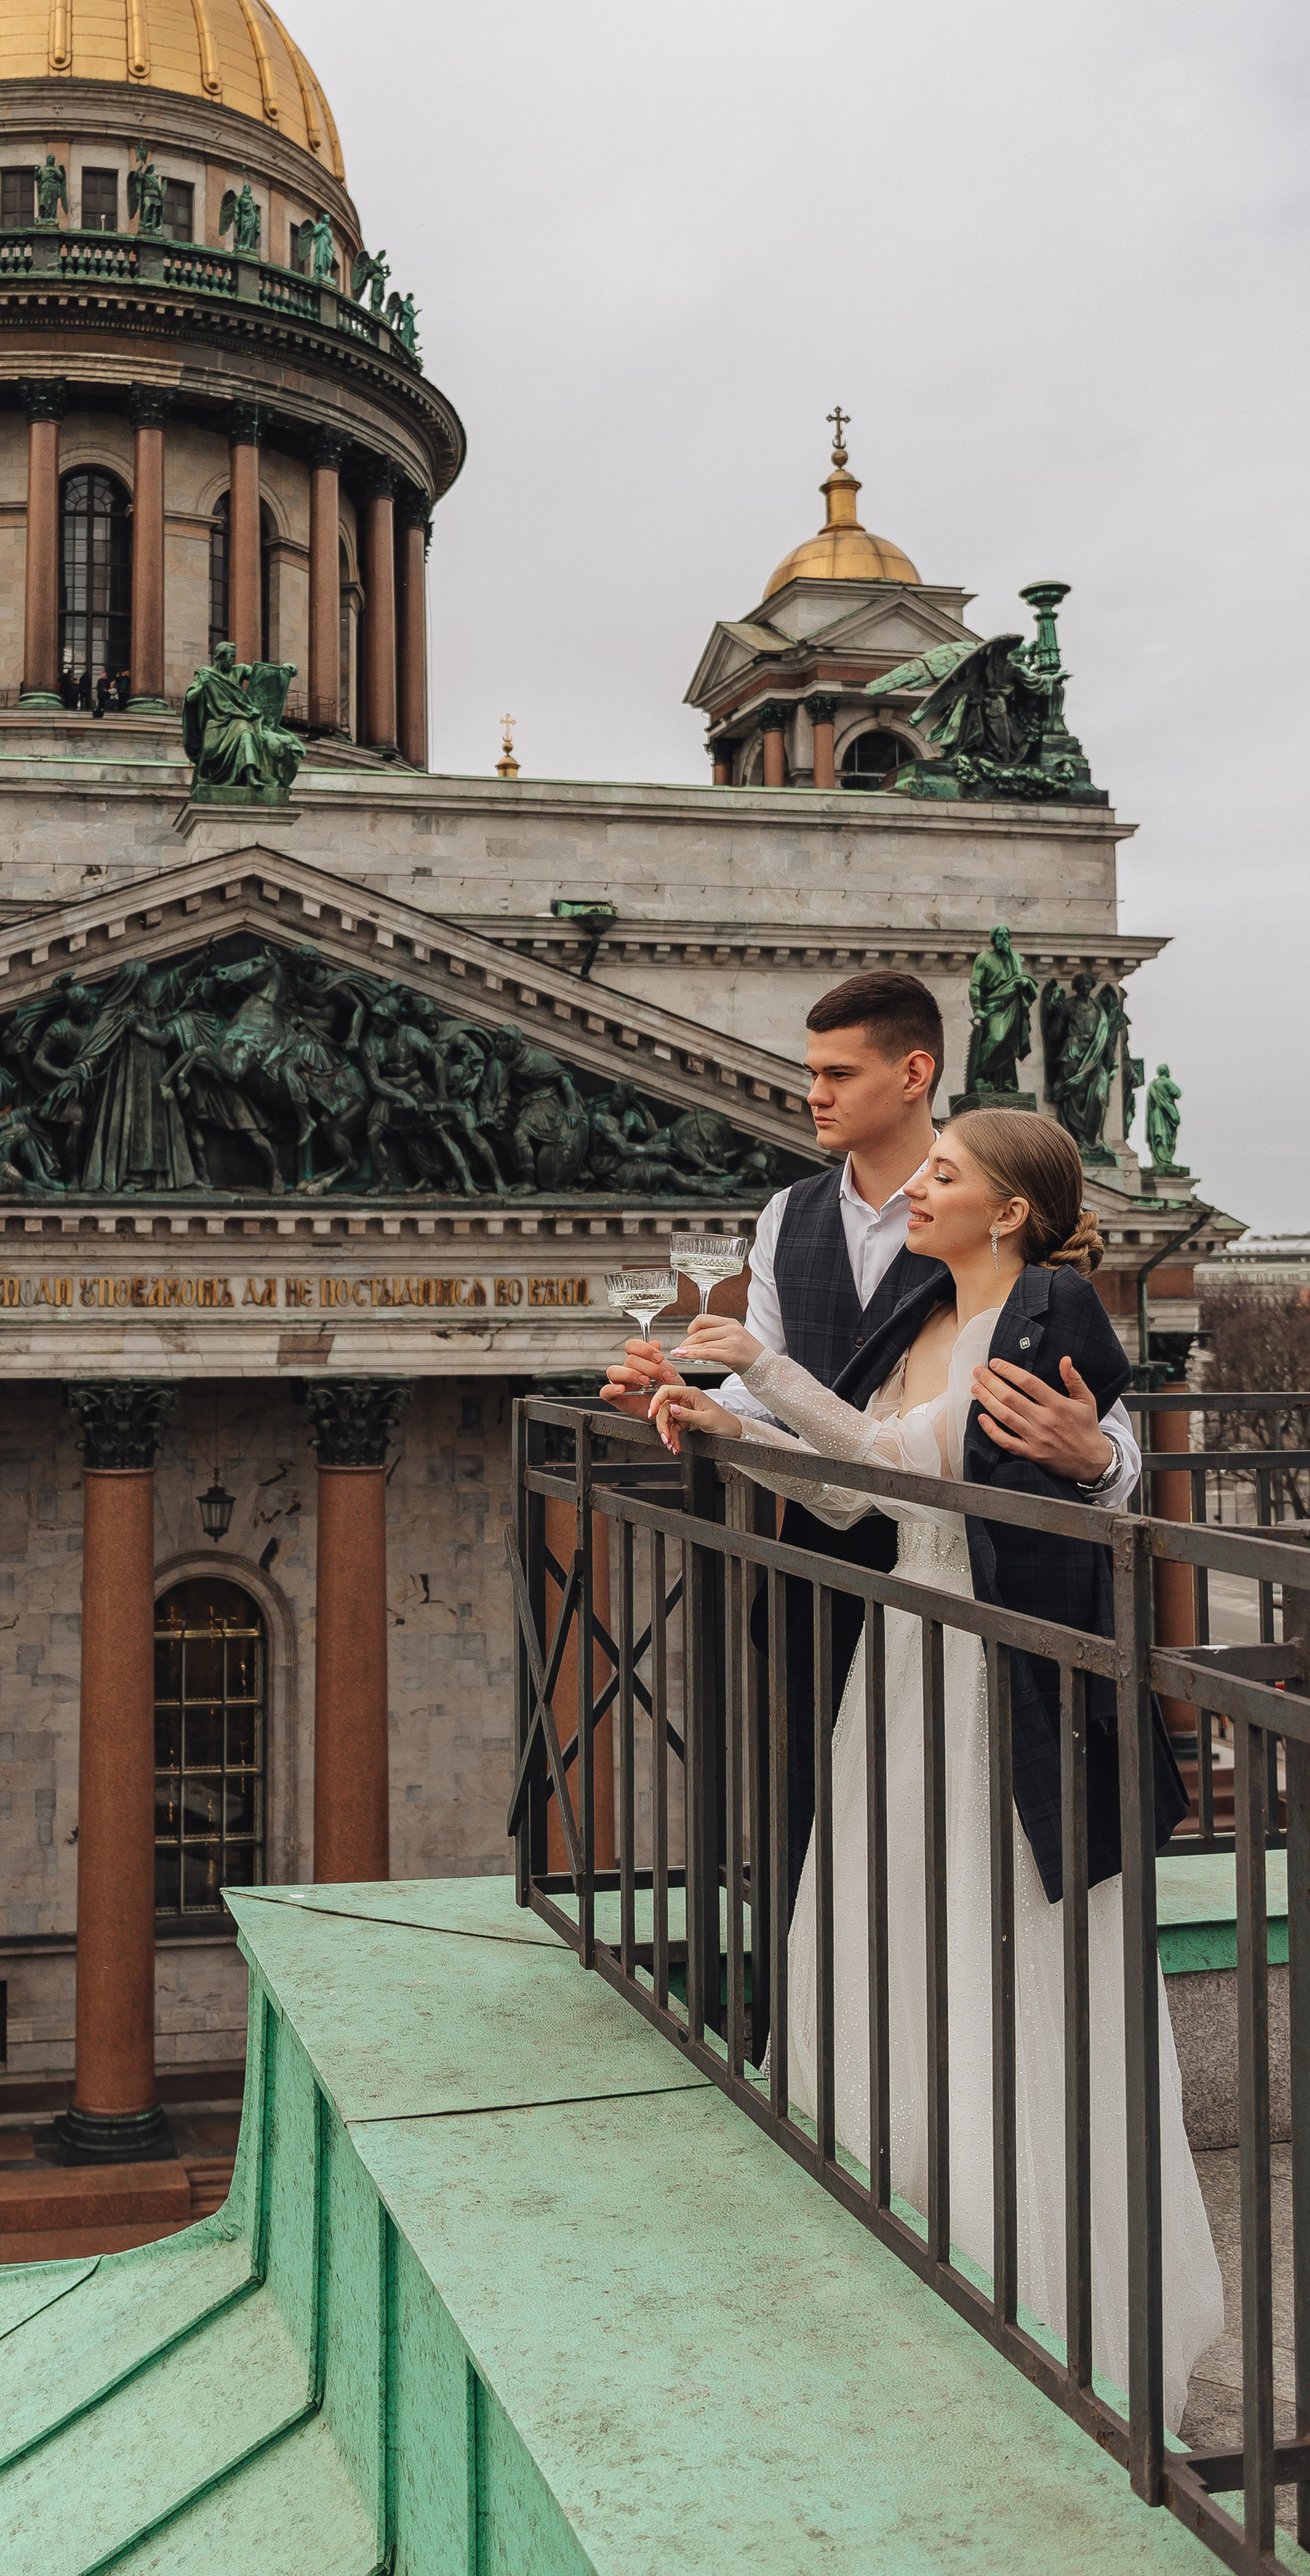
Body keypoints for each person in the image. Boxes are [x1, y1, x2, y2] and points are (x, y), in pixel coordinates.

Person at [629, 1109, 1222, 2427]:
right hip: (903, 1667)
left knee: (989, 1961)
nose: (918, 1194)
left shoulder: (1047, 1312)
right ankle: (908, 2262)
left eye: (944, 1177)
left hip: (986, 1686)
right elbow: (857, 1498)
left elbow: (958, 1459)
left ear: (1005, 1211)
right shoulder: (924, 1324)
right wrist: (711, 1420)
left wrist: (759, 1372)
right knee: (888, 1954)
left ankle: (1031, 2304)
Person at [610, 971, 1140, 1873]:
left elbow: (1102, 1438)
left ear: (913, 1072)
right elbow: (839, 1443)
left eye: (838, 1073)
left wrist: (1094, 1459)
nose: (811, 1093)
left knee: (961, 1856)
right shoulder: (789, 1213)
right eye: (810, 1071)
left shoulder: (1005, 1251)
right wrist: (694, 1401)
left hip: (974, 1607)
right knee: (827, 1842)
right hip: (815, 1580)